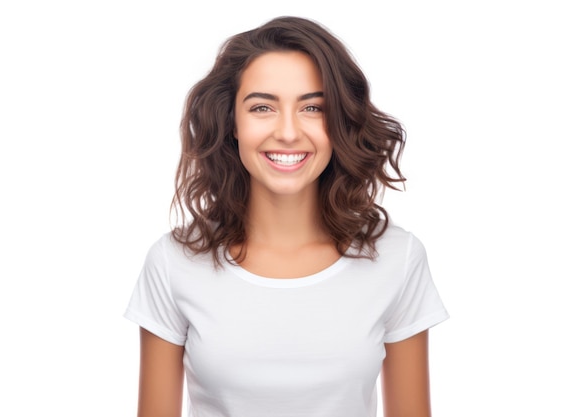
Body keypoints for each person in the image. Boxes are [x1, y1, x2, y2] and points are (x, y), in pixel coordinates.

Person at [125, 16, 448, 417]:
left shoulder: (397, 259)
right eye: (263, 107)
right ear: (232, 124)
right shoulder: (173, 262)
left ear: (339, 122)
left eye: (312, 107)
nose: (289, 132)